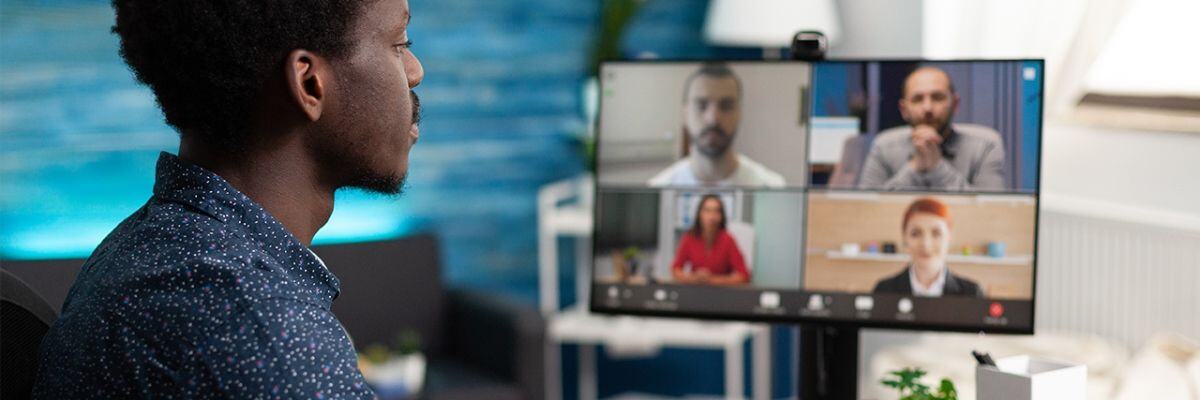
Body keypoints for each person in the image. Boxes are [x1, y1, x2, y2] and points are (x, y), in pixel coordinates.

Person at [34, 0, 423, 398]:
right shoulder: (260, 329)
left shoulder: (146, 246)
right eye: (399, 44)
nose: (415, 71)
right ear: (308, 84)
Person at [858, 66, 1006, 191]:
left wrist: (937, 167)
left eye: (937, 97)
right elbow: (867, 210)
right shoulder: (884, 146)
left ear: (955, 104)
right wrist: (915, 167)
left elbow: (991, 211)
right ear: (904, 110)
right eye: (917, 99)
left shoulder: (986, 145)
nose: (927, 108)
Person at [648, 63, 785, 188]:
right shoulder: (658, 187)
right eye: (701, 105)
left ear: (739, 113)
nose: (713, 119)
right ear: (685, 114)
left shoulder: (772, 186)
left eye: (726, 106)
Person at [873, 198, 983, 297]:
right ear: (905, 238)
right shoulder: (883, 290)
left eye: (936, 233)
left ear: (949, 238)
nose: (926, 244)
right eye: (915, 233)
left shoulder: (972, 293)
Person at [671, 195, 751, 285]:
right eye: (707, 211)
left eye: (716, 211)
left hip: (721, 293)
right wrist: (693, 278)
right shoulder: (690, 238)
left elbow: (744, 275)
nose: (712, 217)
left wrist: (712, 279)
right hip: (695, 290)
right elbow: (675, 270)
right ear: (700, 214)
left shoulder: (728, 240)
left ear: (721, 216)